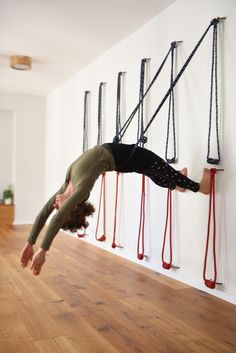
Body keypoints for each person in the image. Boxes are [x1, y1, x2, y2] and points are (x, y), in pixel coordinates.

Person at [20, 143, 211, 276]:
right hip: (125, 157)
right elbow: (55, 218)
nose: (54, 205)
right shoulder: (80, 191)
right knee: (155, 165)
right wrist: (43, 250)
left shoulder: (65, 188)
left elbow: (43, 214)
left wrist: (30, 243)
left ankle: (176, 182)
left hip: (120, 156)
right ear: (71, 208)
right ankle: (201, 187)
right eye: (58, 208)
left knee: (153, 171)